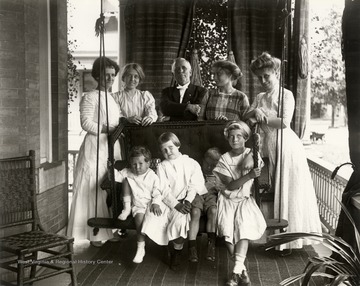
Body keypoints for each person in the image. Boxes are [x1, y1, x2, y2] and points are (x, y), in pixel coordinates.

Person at [244, 52, 322, 252]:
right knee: (269, 190)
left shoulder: (286, 94)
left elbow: (284, 122)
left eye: (267, 76)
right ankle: (273, 237)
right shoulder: (260, 97)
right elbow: (245, 116)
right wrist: (254, 112)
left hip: (285, 146)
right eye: (259, 77)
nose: (263, 81)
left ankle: (289, 240)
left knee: (287, 191)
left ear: (276, 73)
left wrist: (261, 117)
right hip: (265, 147)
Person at [67, 57, 121, 247]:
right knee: (93, 188)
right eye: (106, 75)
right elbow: (86, 122)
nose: (110, 79)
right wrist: (107, 129)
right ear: (97, 75)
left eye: (113, 75)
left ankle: (106, 230)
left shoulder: (112, 99)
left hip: (110, 147)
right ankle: (94, 233)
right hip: (95, 147)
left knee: (107, 188)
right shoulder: (89, 96)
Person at [213, 121, 266, 286]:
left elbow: (255, 150)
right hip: (227, 199)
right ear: (227, 139)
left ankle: (236, 273)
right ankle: (241, 270)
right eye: (231, 137)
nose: (235, 139)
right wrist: (249, 175)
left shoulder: (252, 153)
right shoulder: (224, 159)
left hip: (244, 200)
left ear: (245, 138)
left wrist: (251, 155)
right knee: (227, 230)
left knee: (242, 229)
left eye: (239, 136)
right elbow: (231, 185)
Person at [145, 132, 206, 271]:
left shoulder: (191, 163)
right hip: (170, 202)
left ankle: (178, 251)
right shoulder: (162, 166)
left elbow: (194, 185)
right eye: (164, 150)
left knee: (181, 222)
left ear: (178, 145)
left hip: (187, 200)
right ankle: (175, 251)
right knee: (173, 222)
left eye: (171, 147)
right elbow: (163, 189)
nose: (168, 152)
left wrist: (187, 201)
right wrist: (175, 204)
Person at [113, 146, 163, 263]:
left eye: (140, 163)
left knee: (156, 221)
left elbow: (157, 192)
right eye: (134, 164)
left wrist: (156, 203)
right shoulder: (128, 172)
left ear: (148, 163)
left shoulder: (152, 176)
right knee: (125, 179)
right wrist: (110, 166)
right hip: (137, 205)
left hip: (150, 204)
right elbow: (116, 177)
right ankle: (140, 248)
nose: (137, 167)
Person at [187, 147, 222, 263]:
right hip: (197, 194)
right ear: (202, 160)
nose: (209, 167)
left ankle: (211, 246)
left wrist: (218, 187)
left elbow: (223, 188)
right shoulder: (196, 170)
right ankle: (192, 248)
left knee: (213, 211)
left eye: (213, 165)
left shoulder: (219, 174)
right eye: (207, 163)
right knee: (195, 212)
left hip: (211, 195)